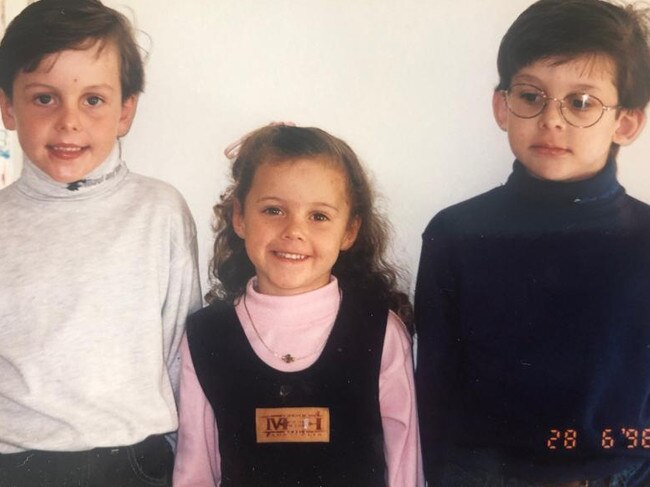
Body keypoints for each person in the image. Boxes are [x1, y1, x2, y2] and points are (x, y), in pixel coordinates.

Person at [415, 0, 650, 485]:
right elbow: (435, 390)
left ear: (626, 122)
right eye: (530, 96)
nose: (552, 119)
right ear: (502, 106)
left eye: (581, 102)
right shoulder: (456, 234)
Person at [0, 1, 201, 485]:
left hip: (134, 463)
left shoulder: (160, 212)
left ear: (125, 111)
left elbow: (182, 352)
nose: (69, 121)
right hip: (17, 466)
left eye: (93, 99)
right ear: (8, 106)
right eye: (44, 98)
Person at [173, 124, 423, 486]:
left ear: (349, 231)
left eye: (319, 216)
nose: (294, 231)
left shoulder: (380, 331)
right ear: (240, 217)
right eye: (274, 210)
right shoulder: (206, 335)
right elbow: (195, 466)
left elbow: (404, 463)